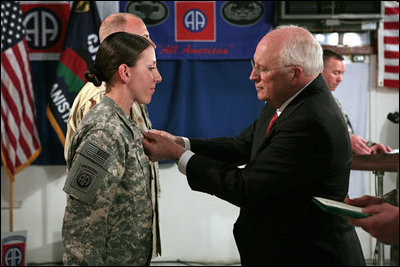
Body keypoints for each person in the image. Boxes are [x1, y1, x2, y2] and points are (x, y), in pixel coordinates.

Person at [142, 25, 366, 265]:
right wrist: (182, 143)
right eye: (254, 65)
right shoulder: (288, 97)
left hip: (309, 255)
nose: (252, 76)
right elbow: (242, 146)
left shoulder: (310, 120)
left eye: (263, 69)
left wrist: (177, 155)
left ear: (294, 74)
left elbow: (245, 187)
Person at [64, 13, 162, 260]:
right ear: (125, 72)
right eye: (150, 68)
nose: (158, 76)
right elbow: (83, 223)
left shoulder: (122, 115)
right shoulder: (104, 130)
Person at [321, 49, 392, 155]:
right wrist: (346, 141)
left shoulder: (334, 103)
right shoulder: (305, 102)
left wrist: (371, 147)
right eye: (336, 73)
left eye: (342, 73)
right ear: (319, 71)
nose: (340, 79)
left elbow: (349, 136)